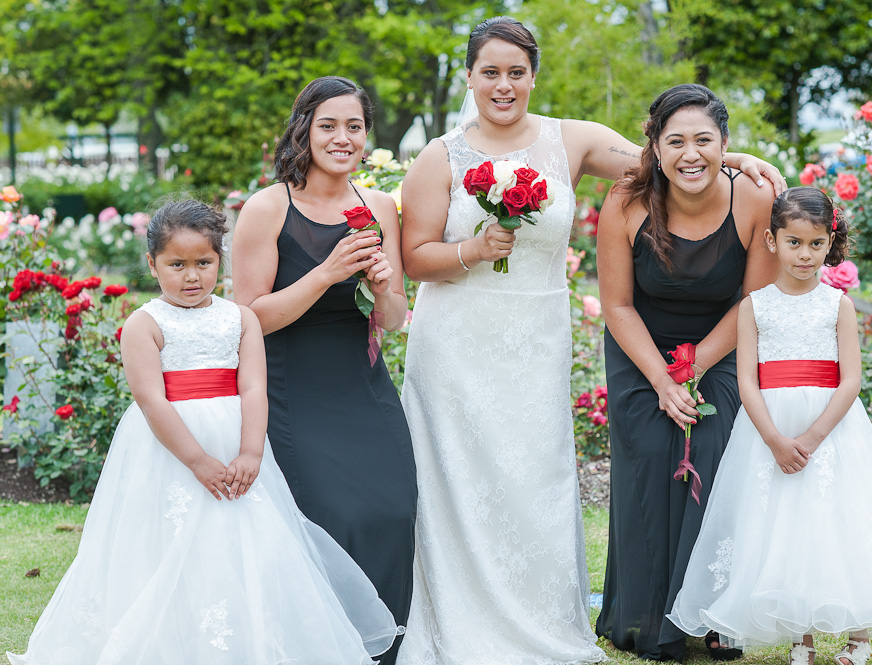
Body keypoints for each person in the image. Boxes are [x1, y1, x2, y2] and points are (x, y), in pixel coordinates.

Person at [397, 17, 785, 665]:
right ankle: (463, 611)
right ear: (469, 76)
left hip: (536, 340)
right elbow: (414, 256)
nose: (503, 84)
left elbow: (667, 155)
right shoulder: (441, 155)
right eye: (489, 71)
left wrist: (739, 157)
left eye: (516, 72)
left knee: (534, 478)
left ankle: (543, 616)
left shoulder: (567, 139)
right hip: (456, 345)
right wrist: (473, 248)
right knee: (458, 480)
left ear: (533, 76)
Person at [7, 199, 400, 665]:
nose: (191, 276)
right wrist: (196, 460)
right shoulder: (144, 324)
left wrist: (251, 452)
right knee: (168, 545)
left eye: (204, 263)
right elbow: (151, 401)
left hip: (236, 443)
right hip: (170, 450)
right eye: (177, 265)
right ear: (152, 264)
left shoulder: (241, 319)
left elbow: (254, 387)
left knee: (245, 541)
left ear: (220, 261)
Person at [666, 187, 872, 665]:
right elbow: (748, 383)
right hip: (769, 431)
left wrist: (814, 437)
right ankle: (803, 639)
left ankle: (858, 638)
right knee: (788, 529)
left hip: (832, 429)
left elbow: (852, 378)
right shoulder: (753, 306)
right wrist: (776, 440)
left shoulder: (836, 304)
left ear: (829, 242)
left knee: (843, 523)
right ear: (772, 240)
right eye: (794, 242)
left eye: (816, 243)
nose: (805, 254)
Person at [231, 76, 416, 665]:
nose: (342, 138)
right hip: (292, 390)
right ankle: (323, 647)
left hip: (363, 385)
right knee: (333, 516)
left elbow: (394, 318)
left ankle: (383, 647)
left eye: (354, 126)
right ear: (304, 130)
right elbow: (248, 321)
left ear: (367, 135)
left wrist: (382, 284)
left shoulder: (380, 207)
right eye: (328, 125)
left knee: (393, 508)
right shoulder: (268, 207)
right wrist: (327, 274)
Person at [595, 83, 780, 661]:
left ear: (726, 143)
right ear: (654, 146)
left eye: (704, 139)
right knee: (651, 449)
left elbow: (754, 302)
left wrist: (693, 369)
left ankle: (718, 616)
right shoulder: (625, 202)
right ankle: (645, 619)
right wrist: (663, 379)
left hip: (725, 346)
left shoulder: (752, 199)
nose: (690, 154)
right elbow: (617, 305)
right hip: (640, 350)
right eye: (675, 141)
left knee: (715, 444)